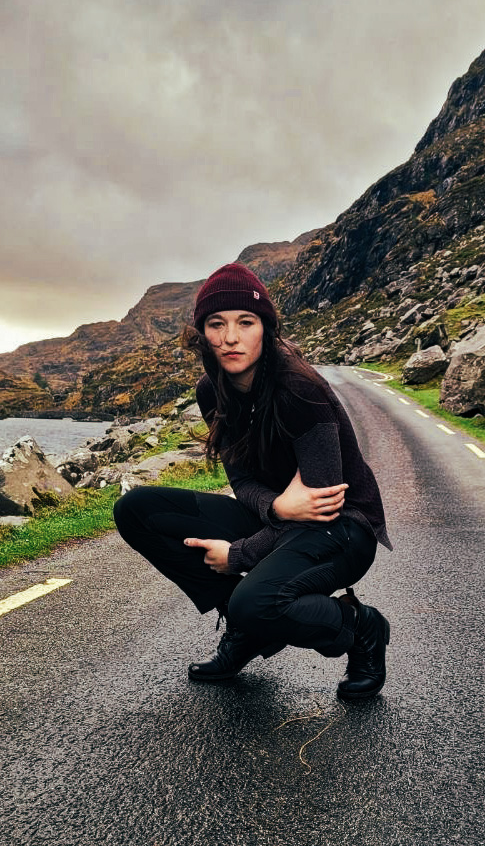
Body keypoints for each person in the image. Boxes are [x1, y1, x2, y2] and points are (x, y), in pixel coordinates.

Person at [113, 261, 392, 700]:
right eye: (216, 324)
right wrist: (277, 507)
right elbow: (241, 480)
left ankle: (360, 628)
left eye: (246, 322)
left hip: (343, 530)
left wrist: (239, 554)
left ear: (266, 327)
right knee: (136, 510)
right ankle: (248, 630)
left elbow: (321, 509)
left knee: (256, 600)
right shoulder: (213, 390)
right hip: (281, 518)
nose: (230, 337)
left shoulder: (301, 391)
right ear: (202, 333)